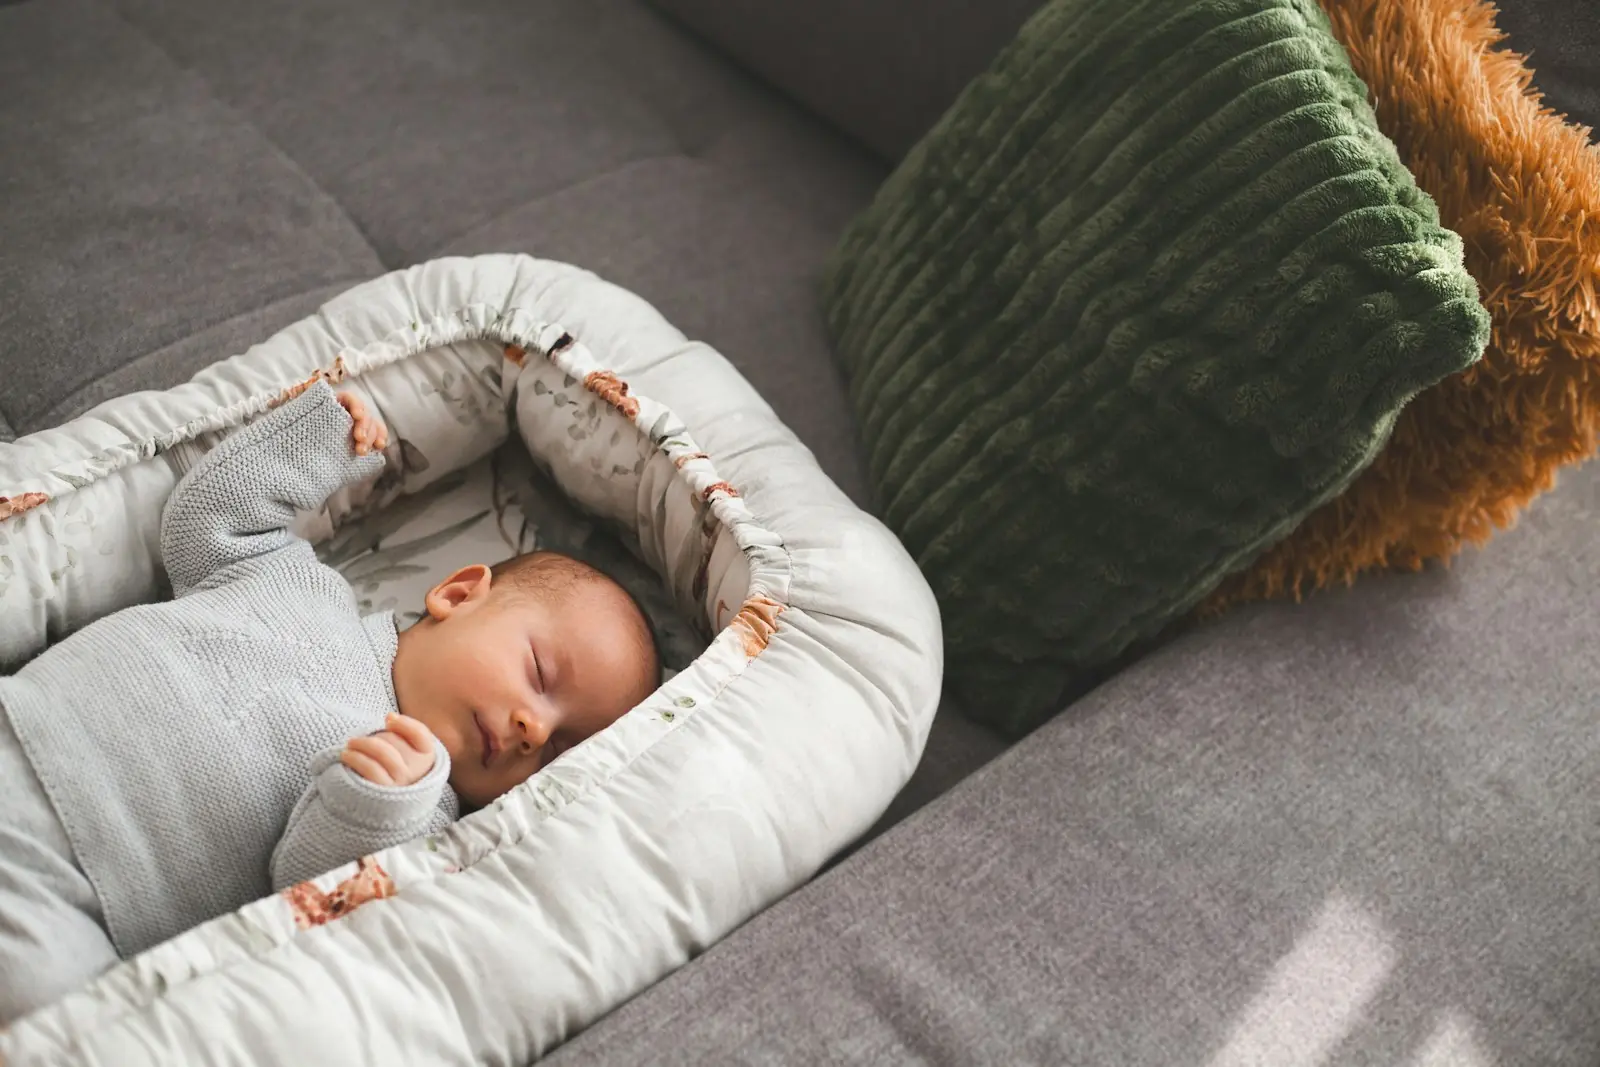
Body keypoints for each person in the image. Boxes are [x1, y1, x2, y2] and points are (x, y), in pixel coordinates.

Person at [0, 380, 659, 1025]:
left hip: (80, 900)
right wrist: (318, 440)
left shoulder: (421, 821)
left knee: (62, 1028)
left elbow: (301, 895)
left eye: (557, 748)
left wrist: (376, 806)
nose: (532, 728)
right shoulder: (306, 586)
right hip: (26, 720)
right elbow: (205, 523)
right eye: (539, 673)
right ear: (457, 595)